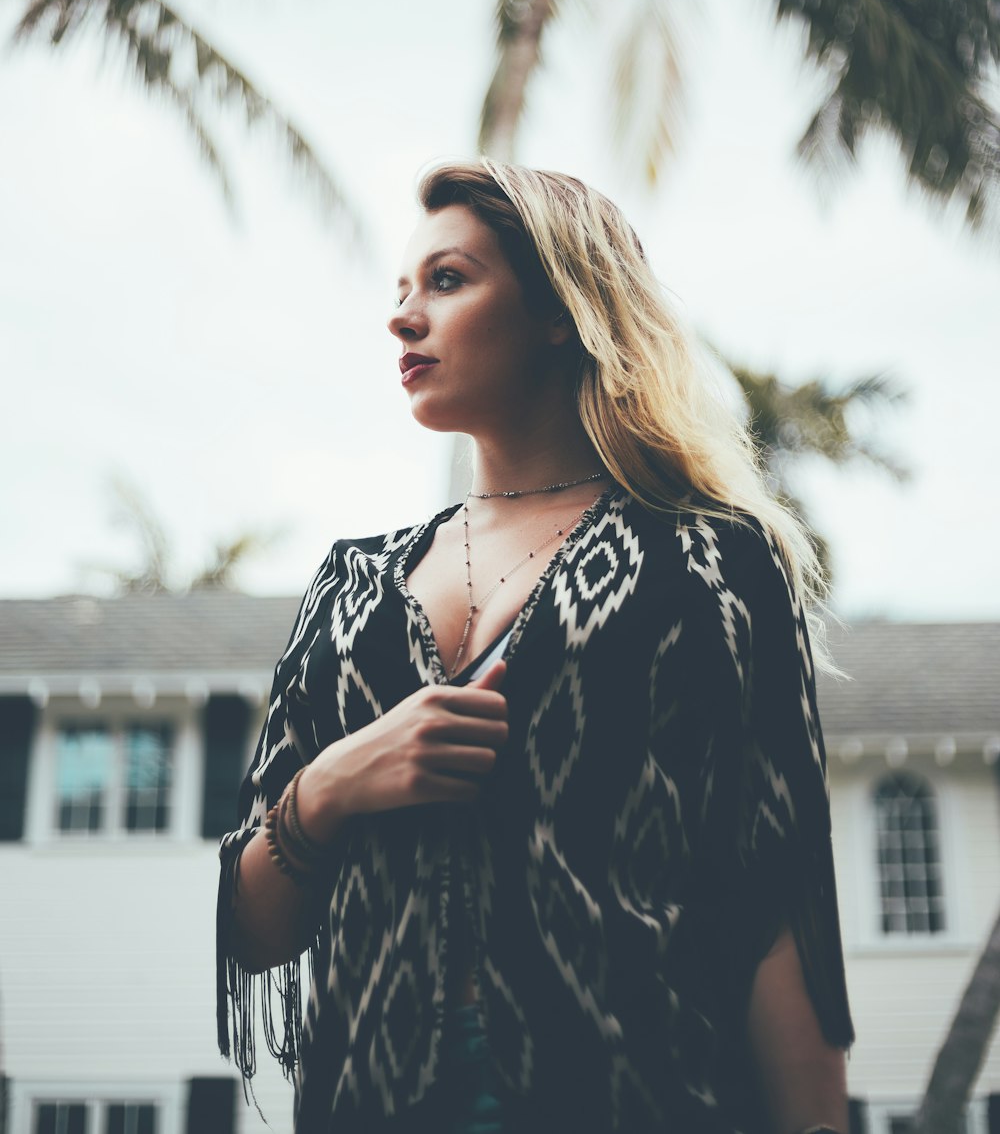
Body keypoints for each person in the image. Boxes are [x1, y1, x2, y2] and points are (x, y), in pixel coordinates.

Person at [216, 158, 857, 1134]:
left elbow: (773, 905)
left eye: (446, 280)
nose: (401, 318)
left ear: (560, 307)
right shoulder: (348, 585)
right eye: (399, 291)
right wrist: (334, 784)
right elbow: (256, 931)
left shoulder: (707, 561)